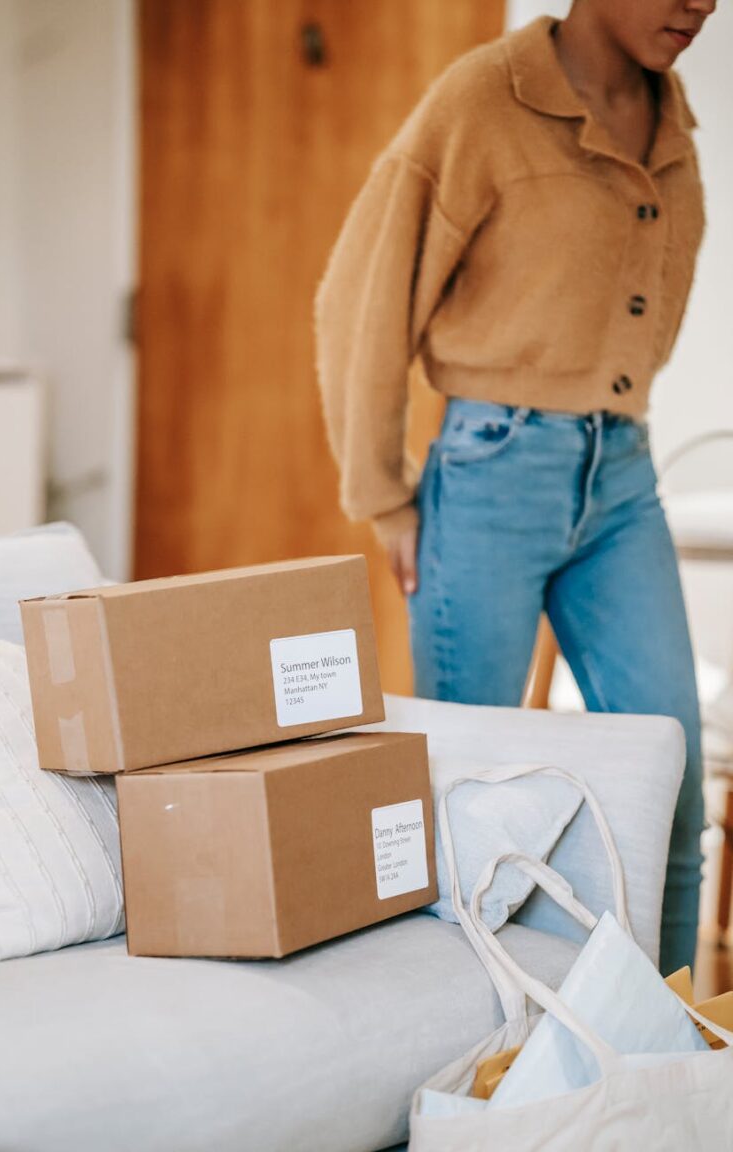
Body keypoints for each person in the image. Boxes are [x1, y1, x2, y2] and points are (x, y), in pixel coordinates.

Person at [314, 0, 716, 976]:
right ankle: (461, 1074)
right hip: (493, 472)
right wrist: (385, 494)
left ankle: (662, 1059)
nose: (702, 2)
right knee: (469, 810)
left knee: (671, 781)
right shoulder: (481, 101)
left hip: (620, 474)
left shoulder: (673, 113)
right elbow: (359, 300)